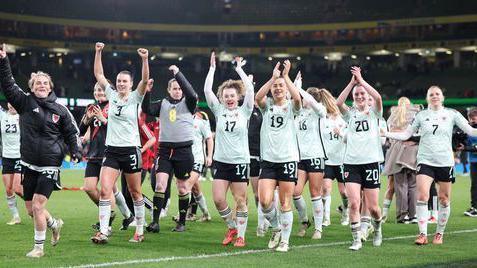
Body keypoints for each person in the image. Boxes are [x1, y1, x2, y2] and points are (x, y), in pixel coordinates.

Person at [0, 43, 81, 257]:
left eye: (45, 83)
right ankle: (54, 223)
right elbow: (8, 85)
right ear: (32, 86)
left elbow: (72, 132)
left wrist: (75, 151)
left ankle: (39, 248)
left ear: (51, 86)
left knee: (37, 206)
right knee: (31, 210)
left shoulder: (61, 109)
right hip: (28, 164)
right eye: (38, 83)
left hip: (49, 166)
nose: (42, 86)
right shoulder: (24, 103)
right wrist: (3, 61)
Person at [384, 86, 477, 245]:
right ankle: (422, 234)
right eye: (431, 94)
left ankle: (439, 234)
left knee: (444, 199)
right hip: (425, 160)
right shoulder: (421, 115)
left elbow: (471, 131)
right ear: (427, 98)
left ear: (442, 97)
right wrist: (385, 133)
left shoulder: (452, 114)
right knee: (422, 196)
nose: (434, 96)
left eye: (437, 94)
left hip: (445, 161)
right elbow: (407, 134)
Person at [90, 42, 149, 243]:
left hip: (131, 151)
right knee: (105, 189)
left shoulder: (135, 98)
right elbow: (99, 74)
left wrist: (144, 59)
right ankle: (104, 231)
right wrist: (98, 52)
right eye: (119, 81)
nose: (121, 84)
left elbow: (145, 79)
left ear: (131, 84)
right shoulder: (111, 95)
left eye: (125, 81)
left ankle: (139, 231)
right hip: (112, 151)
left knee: (135, 192)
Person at [204, 52, 253, 247]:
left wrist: (239, 68)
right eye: (226, 96)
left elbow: (249, 90)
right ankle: (232, 227)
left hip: (240, 161)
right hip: (222, 161)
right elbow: (207, 90)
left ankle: (241, 236)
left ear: (238, 97)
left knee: (240, 200)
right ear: (222, 98)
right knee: (218, 200)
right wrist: (212, 68)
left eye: (232, 96)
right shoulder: (218, 110)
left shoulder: (245, 111)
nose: (229, 98)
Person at [142, 63, 198, 233]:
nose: (178, 91)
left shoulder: (189, 103)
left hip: (184, 152)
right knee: (160, 185)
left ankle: (181, 222)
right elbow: (146, 109)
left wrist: (178, 73)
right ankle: (155, 222)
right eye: (174, 88)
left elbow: (192, 94)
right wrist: (147, 91)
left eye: (180, 88)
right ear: (169, 90)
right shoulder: (162, 104)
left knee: (182, 187)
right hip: (165, 152)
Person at [256, 60, 302, 252]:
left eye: (280, 86)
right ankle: (276, 227)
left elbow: (298, 99)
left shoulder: (292, 107)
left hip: (288, 159)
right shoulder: (266, 107)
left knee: (285, 202)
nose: (277, 88)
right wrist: (273, 77)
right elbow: (258, 97)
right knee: (265, 201)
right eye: (275, 86)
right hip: (268, 160)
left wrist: (286, 77)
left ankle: (285, 240)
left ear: (286, 88)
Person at [336, 66, 384, 251]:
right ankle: (356, 240)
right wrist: (352, 83)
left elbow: (378, 98)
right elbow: (339, 103)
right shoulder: (350, 114)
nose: (360, 97)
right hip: (351, 164)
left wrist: (361, 81)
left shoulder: (374, 113)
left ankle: (378, 228)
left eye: (362, 94)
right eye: (357, 95)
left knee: (373, 208)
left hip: (371, 162)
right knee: (354, 203)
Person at [79, 83, 134, 234]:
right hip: (93, 154)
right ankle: (124, 215)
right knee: (89, 187)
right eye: (96, 89)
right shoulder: (91, 107)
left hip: (110, 153)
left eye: (102, 89)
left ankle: (107, 225)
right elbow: (81, 130)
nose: (99, 92)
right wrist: (86, 120)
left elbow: (120, 128)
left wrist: (103, 119)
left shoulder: (115, 105)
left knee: (107, 189)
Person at [292, 72, 327, 239]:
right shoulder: (298, 114)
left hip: (315, 156)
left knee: (315, 192)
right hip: (300, 158)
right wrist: (294, 85)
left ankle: (318, 228)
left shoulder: (319, 111)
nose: (302, 99)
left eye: (304, 96)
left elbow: (313, 103)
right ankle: (305, 220)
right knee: (295, 192)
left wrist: (300, 89)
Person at [382, 97, 420, 223]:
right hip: (413, 151)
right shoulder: (415, 114)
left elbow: (390, 135)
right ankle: (413, 215)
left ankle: (403, 216)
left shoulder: (393, 115)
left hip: (397, 152)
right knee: (413, 185)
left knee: (400, 185)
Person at [319, 89, 349, 227]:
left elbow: (349, 137)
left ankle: (346, 212)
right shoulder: (321, 118)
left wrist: (341, 132)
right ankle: (326, 217)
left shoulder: (342, 118)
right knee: (325, 189)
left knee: (344, 192)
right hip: (327, 160)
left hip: (341, 159)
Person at [186, 109, 213, 222]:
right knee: (195, 189)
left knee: (186, 186)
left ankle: (181, 214)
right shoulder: (181, 120)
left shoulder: (200, 121)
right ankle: (206, 214)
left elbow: (209, 138)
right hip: (185, 160)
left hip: (198, 159)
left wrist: (209, 156)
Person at [0, 103, 23, 225]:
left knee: (17, 189)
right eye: (10, 102)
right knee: (8, 189)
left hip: (20, 156)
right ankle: (16, 217)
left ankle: (35, 205)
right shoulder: (2, 115)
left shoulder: (23, 115)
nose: (12, 105)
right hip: (6, 157)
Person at [460, 108, 477, 217]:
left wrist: (465, 148)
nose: (473, 120)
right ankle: (474, 207)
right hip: (473, 161)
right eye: (471, 118)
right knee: (474, 185)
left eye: (474, 118)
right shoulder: (468, 130)